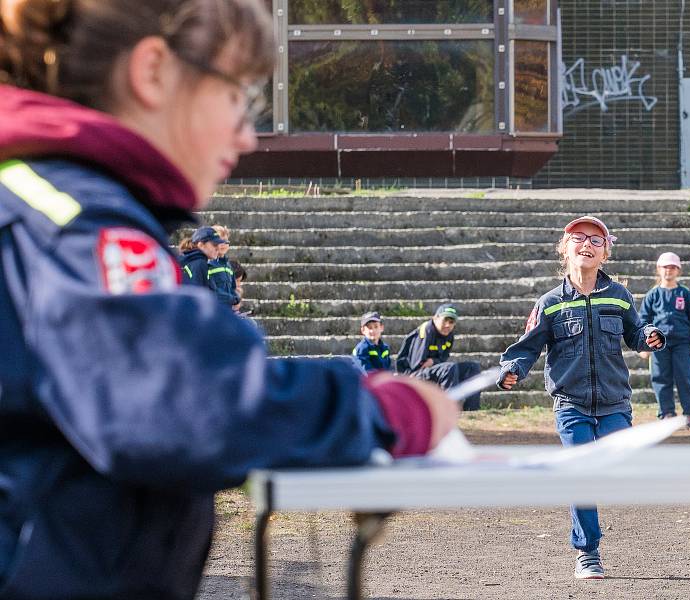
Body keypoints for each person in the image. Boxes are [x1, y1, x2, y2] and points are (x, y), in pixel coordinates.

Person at [0, 1, 458, 598]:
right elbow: (191, 404)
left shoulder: (43, 202)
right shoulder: (74, 225)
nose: (246, 134)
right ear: (154, 73)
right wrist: (388, 413)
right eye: (239, 97)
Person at [497, 216, 665, 580]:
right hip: (570, 405)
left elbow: (635, 333)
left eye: (596, 240)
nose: (586, 244)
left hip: (614, 403)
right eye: (578, 238)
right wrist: (512, 368)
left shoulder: (619, 296)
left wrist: (649, 334)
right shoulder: (550, 303)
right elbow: (527, 348)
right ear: (565, 248)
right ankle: (588, 552)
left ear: (605, 253)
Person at [638, 252, 690, 430]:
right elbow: (643, 321)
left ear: (678, 271)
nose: (669, 271)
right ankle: (666, 413)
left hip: (682, 344)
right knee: (661, 378)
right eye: (665, 267)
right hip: (658, 344)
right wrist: (644, 344)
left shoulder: (685, 294)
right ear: (659, 269)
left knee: (685, 378)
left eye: (672, 267)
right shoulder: (653, 295)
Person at [396, 303, 483, 410]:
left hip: (432, 371)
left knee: (473, 367)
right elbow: (416, 366)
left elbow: (442, 359)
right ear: (435, 318)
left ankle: (472, 410)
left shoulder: (449, 335)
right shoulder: (425, 332)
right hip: (412, 376)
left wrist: (434, 361)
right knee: (448, 368)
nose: (448, 325)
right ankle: (448, 410)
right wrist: (435, 363)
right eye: (445, 320)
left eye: (451, 322)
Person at [207, 224, 240, 306]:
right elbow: (212, 290)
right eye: (219, 241)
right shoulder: (208, 264)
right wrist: (230, 298)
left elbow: (233, 287)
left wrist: (236, 297)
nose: (223, 244)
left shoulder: (228, 266)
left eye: (226, 241)